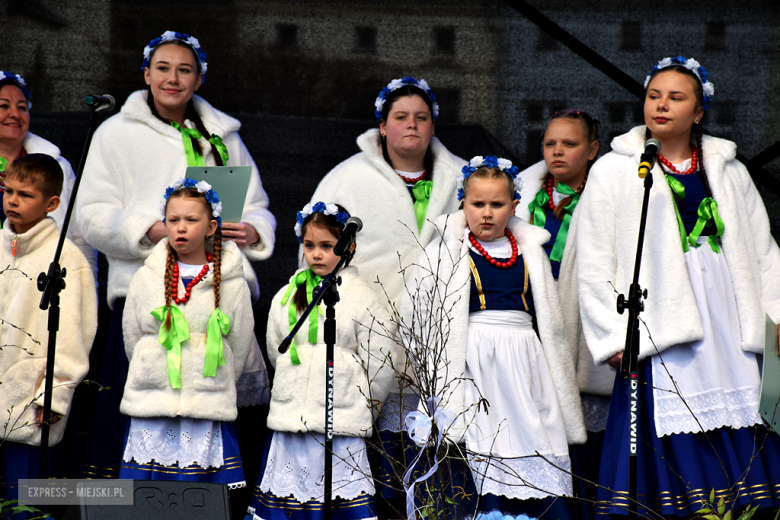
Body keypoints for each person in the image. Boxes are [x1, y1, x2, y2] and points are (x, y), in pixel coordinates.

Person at [568, 56, 780, 517]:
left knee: (738, 405)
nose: (661, 105)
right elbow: (595, 259)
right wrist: (611, 332)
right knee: (668, 410)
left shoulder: (729, 169)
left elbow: (762, 251)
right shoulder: (616, 171)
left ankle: (744, 504)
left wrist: (776, 316)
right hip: (659, 314)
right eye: (653, 96)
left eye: (676, 97)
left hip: (726, 309)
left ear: (699, 111)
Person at [75, 31, 274, 479]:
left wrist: (252, 229)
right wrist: (154, 230)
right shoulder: (115, 134)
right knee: (136, 417)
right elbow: (91, 213)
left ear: (199, 79)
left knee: (206, 423)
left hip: (214, 297)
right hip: (149, 297)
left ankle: (198, 498)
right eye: (162, 68)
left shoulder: (223, 136)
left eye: (185, 69)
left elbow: (257, 204)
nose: (172, 77)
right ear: (146, 74)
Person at [308, 77, 465, 511]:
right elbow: (317, 250)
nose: (411, 125)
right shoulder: (347, 179)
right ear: (382, 125)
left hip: (440, 334)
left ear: (434, 125)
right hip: (370, 334)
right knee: (374, 448)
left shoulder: (461, 177)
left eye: (421, 117)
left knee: (432, 451)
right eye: (400, 117)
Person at [402, 156, 586, 517]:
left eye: (497, 204)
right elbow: (417, 312)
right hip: (474, 362)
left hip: (524, 359)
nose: (486, 213)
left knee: (532, 432)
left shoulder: (531, 252)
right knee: (483, 440)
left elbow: (549, 318)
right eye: (478, 204)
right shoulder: (446, 254)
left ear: (514, 205)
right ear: (463, 205)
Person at [247, 202, 396, 519]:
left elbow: (380, 363)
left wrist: (363, 409)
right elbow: (277, 349)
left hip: (339, 427)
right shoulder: (287, 294)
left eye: (327, 246)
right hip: (291, 423)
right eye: (310, 245)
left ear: (348, 246)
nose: (317, 254)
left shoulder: (362, 297)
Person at [119, 178, 254, 488]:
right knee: (147, 492)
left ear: (210, 227)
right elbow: (133, 336)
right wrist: (151, 367)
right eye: (173, 220)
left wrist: (213, 378)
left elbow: (240, 343)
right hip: (152, 402)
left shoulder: (232, 283)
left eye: (191, 220)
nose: (181, 227)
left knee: (198, 491)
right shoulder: (146, 277)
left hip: (204, 402)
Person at [516, 109, 609, 519]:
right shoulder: (521, 195)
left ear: (592, 149)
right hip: (533, 325)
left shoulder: (606, 198)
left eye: (569, 144)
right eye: (550, 143)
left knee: (588, 444)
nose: (557, 151)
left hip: (584, 331)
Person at [0, 154, 96, 507]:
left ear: (52, 203)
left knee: (23, 503)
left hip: (28, 401)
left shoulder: (67, 259)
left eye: (25, 195)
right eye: (7, 190)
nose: (12, 200)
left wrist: (54, 395)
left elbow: (74, 335)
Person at [0, 71, 96, 271]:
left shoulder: (57, 167)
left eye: (22, 107)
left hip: (39, 289)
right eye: (3, 106)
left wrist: (86, 291)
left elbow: (80, 240)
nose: (15, 114)